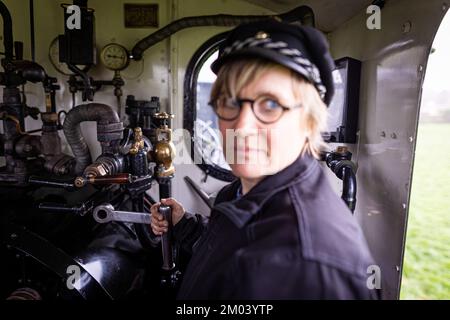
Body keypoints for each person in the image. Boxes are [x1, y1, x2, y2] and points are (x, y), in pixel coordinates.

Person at [151, 19, 380, 299]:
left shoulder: (310, 266)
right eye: (231, 102)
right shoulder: (239, 191)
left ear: (308, 121)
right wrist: (184, 225)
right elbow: (228, 251)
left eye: (270, 104)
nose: (242, 127)